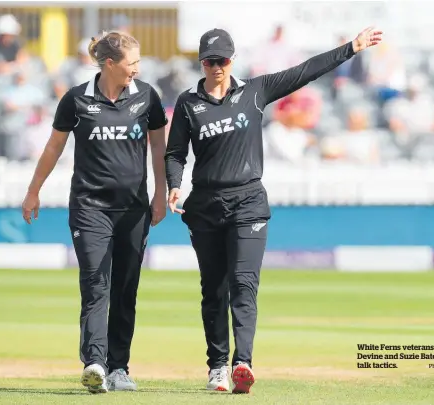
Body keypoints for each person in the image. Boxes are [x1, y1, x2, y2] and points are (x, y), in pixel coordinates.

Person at [164, 26, 382, 394]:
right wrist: (173, 184)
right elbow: (175, 153)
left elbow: (305, 71)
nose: (217, 66)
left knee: (244, 284)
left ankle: (242, 364)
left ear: (233, 60)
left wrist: (351, 48)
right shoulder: (188, 103)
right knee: (214, 290)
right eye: (210, 61)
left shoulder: (254, 91)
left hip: (249, 201)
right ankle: (217, 367)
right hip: (205, 207)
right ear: (201, 62)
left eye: (223, 60)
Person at [21, 30, 168, 394]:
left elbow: (159, 147)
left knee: (125, 289)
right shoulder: (75, 100)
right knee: (95, 282)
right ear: (109, 64)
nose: (137, 68)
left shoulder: (147, 96)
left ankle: (119, 367)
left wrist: (161, 193)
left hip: (134, 210)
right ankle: (95, 363)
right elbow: (54, 147)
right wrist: (33, 190)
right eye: (131, 62)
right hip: (89, 207)